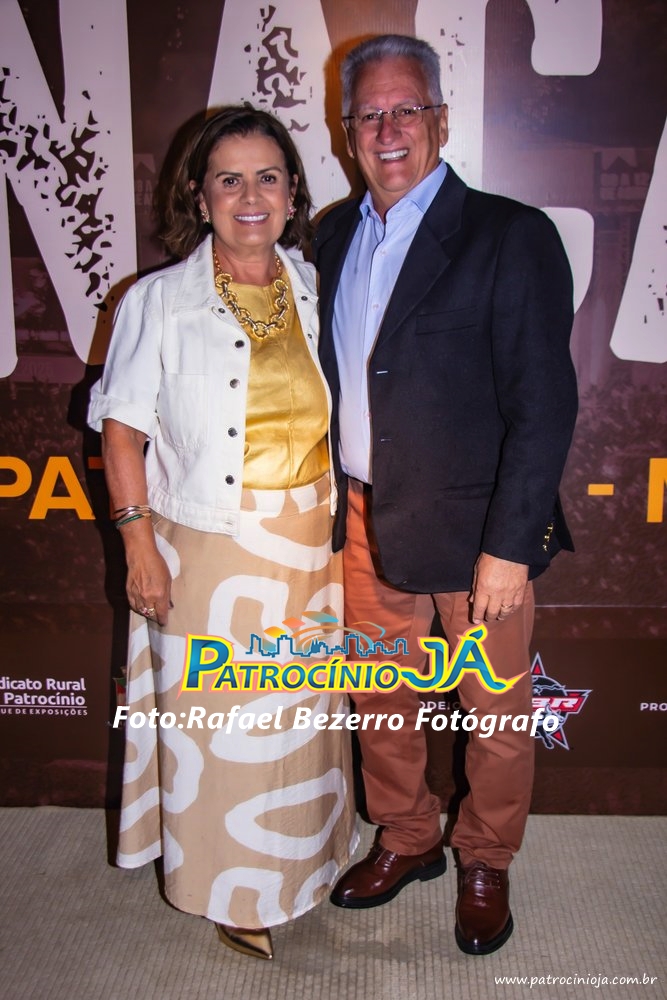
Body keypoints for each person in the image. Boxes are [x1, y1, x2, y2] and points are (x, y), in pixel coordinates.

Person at [312, 35, 578, 955]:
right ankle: (408, 834)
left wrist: (509, 547)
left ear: (441, 119)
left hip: (477, 532)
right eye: (369, 114)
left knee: (493, 715)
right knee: (380, 701)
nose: (388, 129)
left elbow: (543, 405)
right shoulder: (333, 235)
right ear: (347, 130)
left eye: (406, 109)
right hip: (362, 516)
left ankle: (485, 857)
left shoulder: (509, 234)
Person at [88, 105, 357, 961]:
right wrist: (137, 547)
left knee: (300, 725)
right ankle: (230, 889)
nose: (250, 196)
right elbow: (121, 434)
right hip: (205, 547)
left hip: (309, 547)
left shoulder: (318, 287)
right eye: (229, 179)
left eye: (267, 177)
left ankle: (305, 866)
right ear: (199, 197)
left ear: (292, 194)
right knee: (222, 728)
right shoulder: (158, 302)